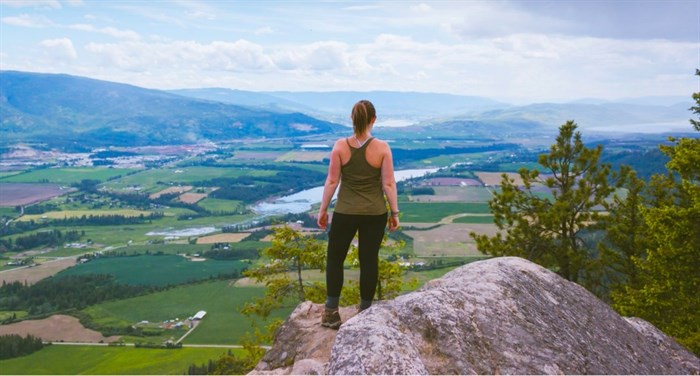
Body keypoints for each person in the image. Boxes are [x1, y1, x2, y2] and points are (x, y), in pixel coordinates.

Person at [317, 99, 400, 329]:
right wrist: (395, 213)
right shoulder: (382, 148)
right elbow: (389, 184)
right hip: (375, 213)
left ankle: (331, 312)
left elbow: (332, 180)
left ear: (352, 120)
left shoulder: (340, 147)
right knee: (368, 259)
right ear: (373, 120)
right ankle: (365, 312)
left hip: (345, 211)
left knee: (335, 258)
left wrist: (323, 209)